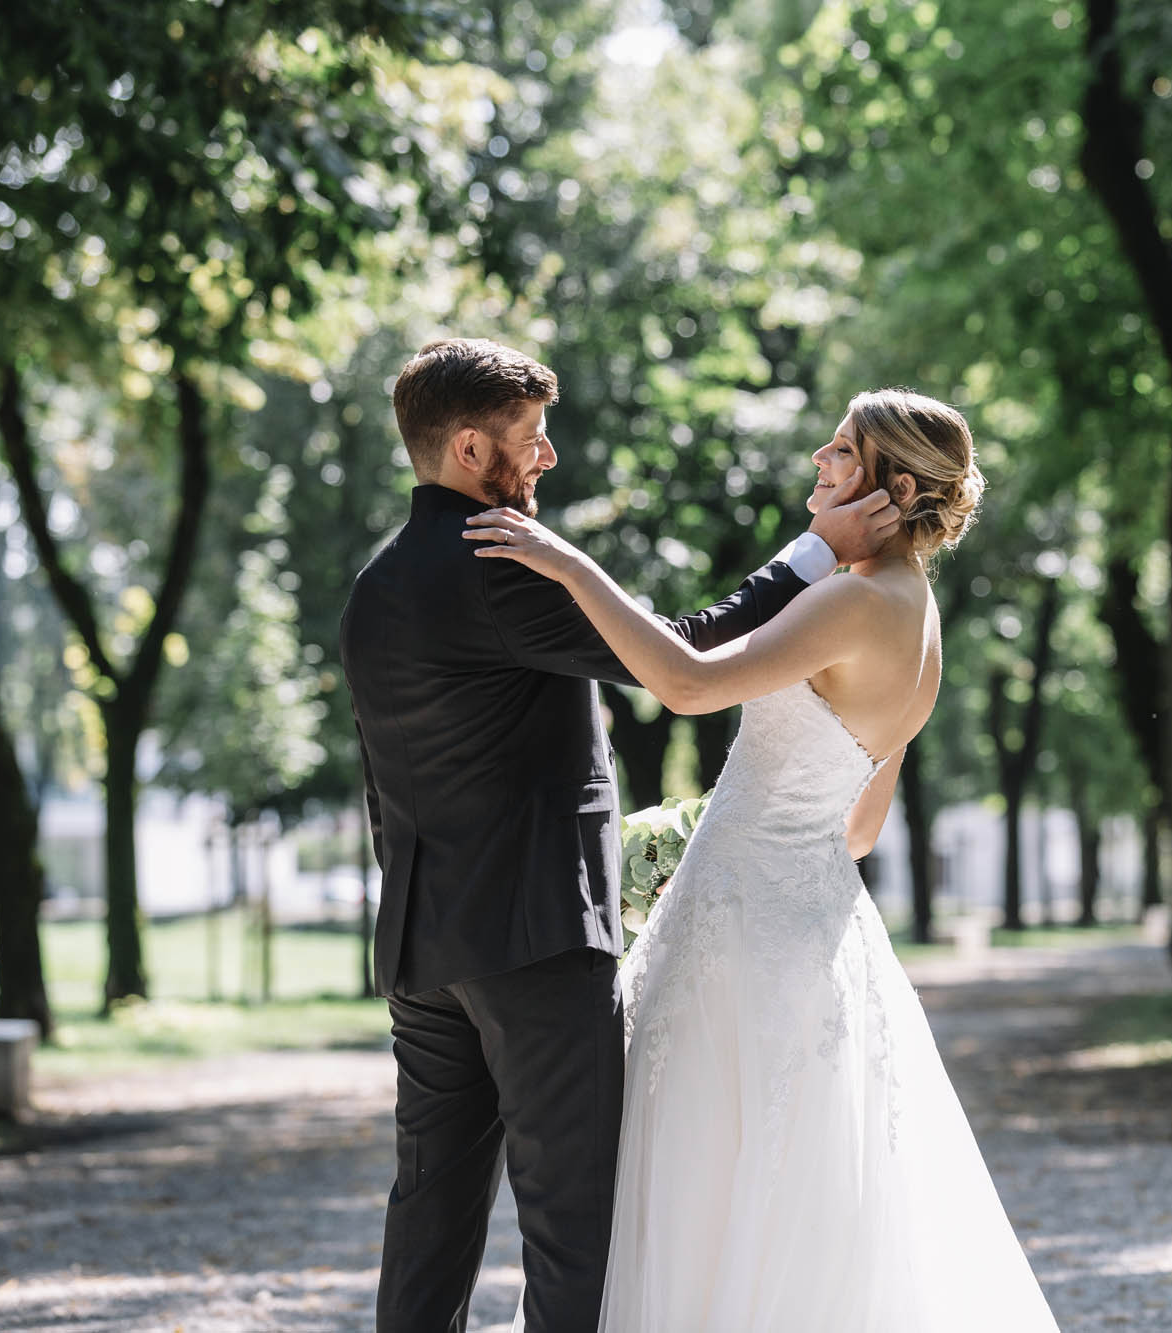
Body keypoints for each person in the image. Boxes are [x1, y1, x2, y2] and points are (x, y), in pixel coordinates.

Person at [466, 388, 1061, 1332]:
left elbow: (685, 681)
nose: (819, 463)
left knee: (701, 1189)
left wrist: (567, 566)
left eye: (841, 451)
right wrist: (735, 817)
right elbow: (859, 827)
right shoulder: (921, 620)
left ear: (894, 485)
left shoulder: (854, 600)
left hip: (742, 945)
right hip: (816, 927)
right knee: (789, 1203)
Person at [339, 337, 900, 1333]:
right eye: (529, 438)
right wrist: (812, 552)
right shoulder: (501, 565)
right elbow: (683, 654)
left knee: (428, 1210)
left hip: (422, 946)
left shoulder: (379, 581)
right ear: (469, 450)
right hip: (535, 943)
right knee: (574, 1224)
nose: (546, 456)